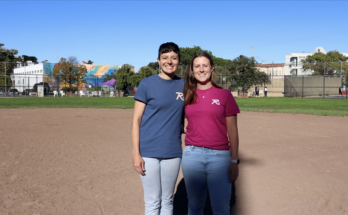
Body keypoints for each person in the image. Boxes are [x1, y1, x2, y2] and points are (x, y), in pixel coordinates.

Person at [182, 52, 240, 215]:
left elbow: (232, 130)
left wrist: (234, 161)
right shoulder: (186, 95)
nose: (201, 69)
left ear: (212, 68)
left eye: (205, 65)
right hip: (192, 156)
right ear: (192, 70)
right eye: (197, 66)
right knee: (194, 205)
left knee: (221, 208)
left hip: (219, 157)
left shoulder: (224, 95)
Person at [131, 42, 184, 215]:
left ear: (178, 61)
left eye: (174, 58)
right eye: (165, 58)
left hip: (172, 152)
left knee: (167, 200)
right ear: (158, 60)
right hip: (148, 152)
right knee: (153, 201)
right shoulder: (147, 84)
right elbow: (136, 120)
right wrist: (135, 153)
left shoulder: (185, 85)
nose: (169, 61)